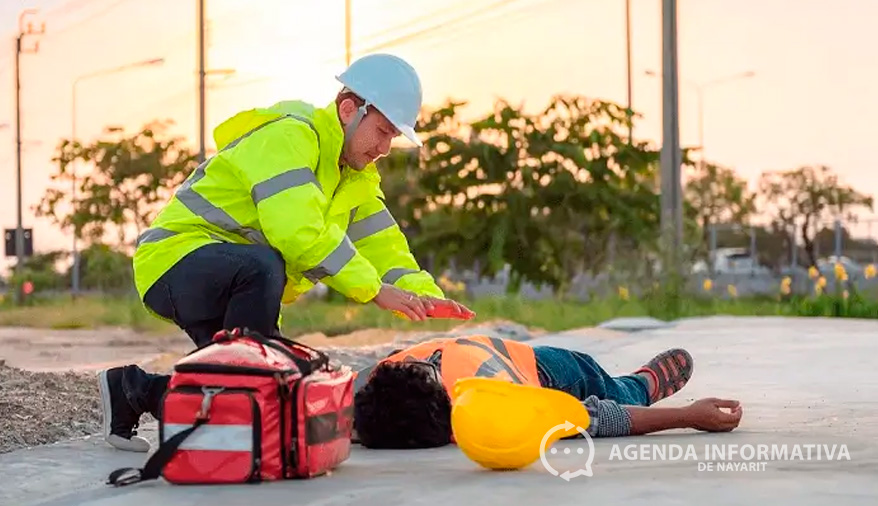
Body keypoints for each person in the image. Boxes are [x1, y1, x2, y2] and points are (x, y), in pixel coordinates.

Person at [96, 53, 471, 452]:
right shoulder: (290, 137)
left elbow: (384, 247)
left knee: (254, 391)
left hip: (233, 278)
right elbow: (296, 231)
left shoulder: (353, 179)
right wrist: (375, 291)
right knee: (263, 278)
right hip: (176, 262)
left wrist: (421, 295)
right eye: (381, 131)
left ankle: (131, 390)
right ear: (349, 110)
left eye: (392, 137)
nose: (384, 148)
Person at [352, 336, 743, 448]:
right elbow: (595, 419)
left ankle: (635, 386)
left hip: (544, 368)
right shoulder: (493, 411)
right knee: (610, 395)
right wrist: (690, 415)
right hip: (527, 376)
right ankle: (639, 386)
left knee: (598, 380)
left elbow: (599, 414)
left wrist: (688, 415)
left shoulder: (374, 389)